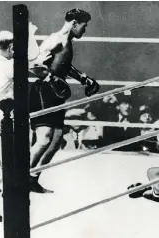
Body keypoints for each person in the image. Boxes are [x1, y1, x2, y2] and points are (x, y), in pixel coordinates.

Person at [28, 9, 100, 193]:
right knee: (44, 139)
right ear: (75, 23)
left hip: (55, 93)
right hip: (44, 90)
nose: (85, 30)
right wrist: (51, 80)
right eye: (84, 26)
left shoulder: (66, 41)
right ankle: (19, 179)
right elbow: (33, 65)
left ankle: (32, 179)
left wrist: (83, 78)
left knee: (56, 140)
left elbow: (63, 65)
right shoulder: (56, 39)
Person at [0, 30, 50, 170]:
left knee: (7, 165)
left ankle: (2, 187)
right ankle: (4, 186)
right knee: (10, 166)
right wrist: (37, 59)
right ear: (10, 47)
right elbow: (33, 64)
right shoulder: (8, 66)